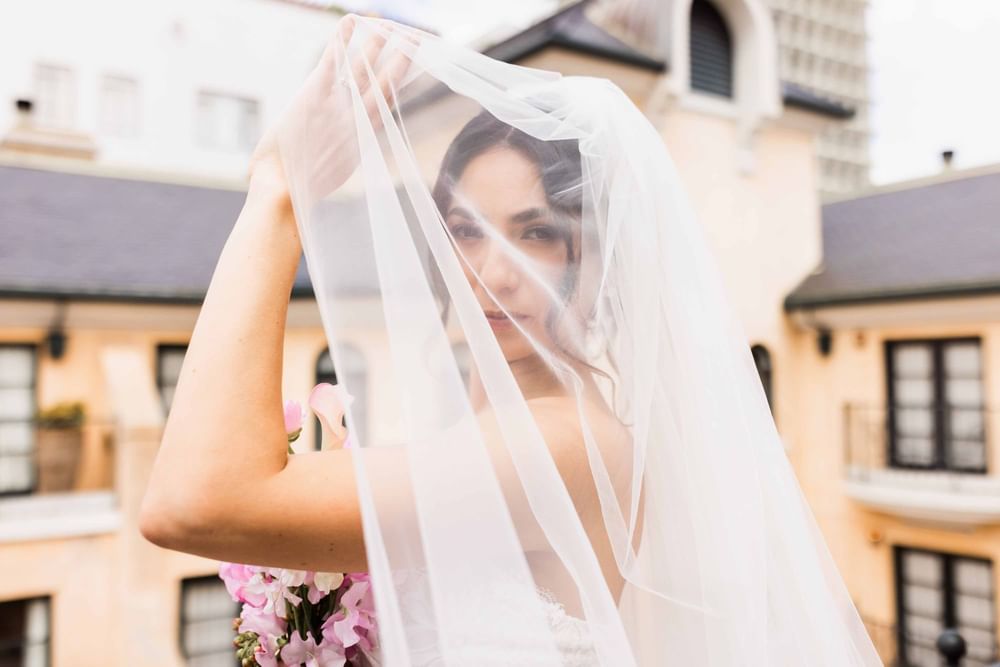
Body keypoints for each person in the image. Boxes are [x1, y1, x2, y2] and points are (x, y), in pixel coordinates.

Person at [140, 13, 882, 666]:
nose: (490, 272)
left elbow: (190, 504)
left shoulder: (559, 443)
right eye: (464, 230)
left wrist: (276, 187)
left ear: (600, 266)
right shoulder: (497, 432)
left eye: (537, 234)